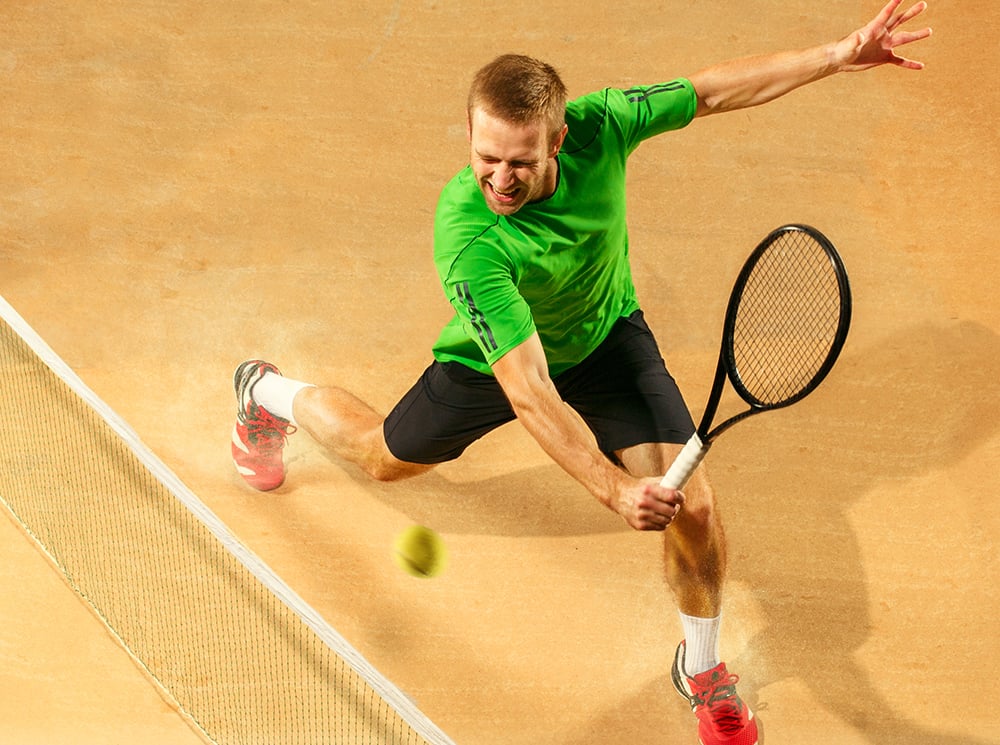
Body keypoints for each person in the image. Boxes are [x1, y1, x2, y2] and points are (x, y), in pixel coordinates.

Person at [230, 2, 930, 742]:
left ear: (560, 138)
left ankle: (700, 666)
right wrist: (615, 488)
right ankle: (265, 392)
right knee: (382, 457)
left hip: (606, 342)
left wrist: (839, 53)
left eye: (521, 161)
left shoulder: (602, 125)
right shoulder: (470, 238)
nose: (500, 177)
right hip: (495, 362)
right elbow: (531, 393)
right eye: (485, 156)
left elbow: (710, 91)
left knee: (694, 508)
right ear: (469, 133)